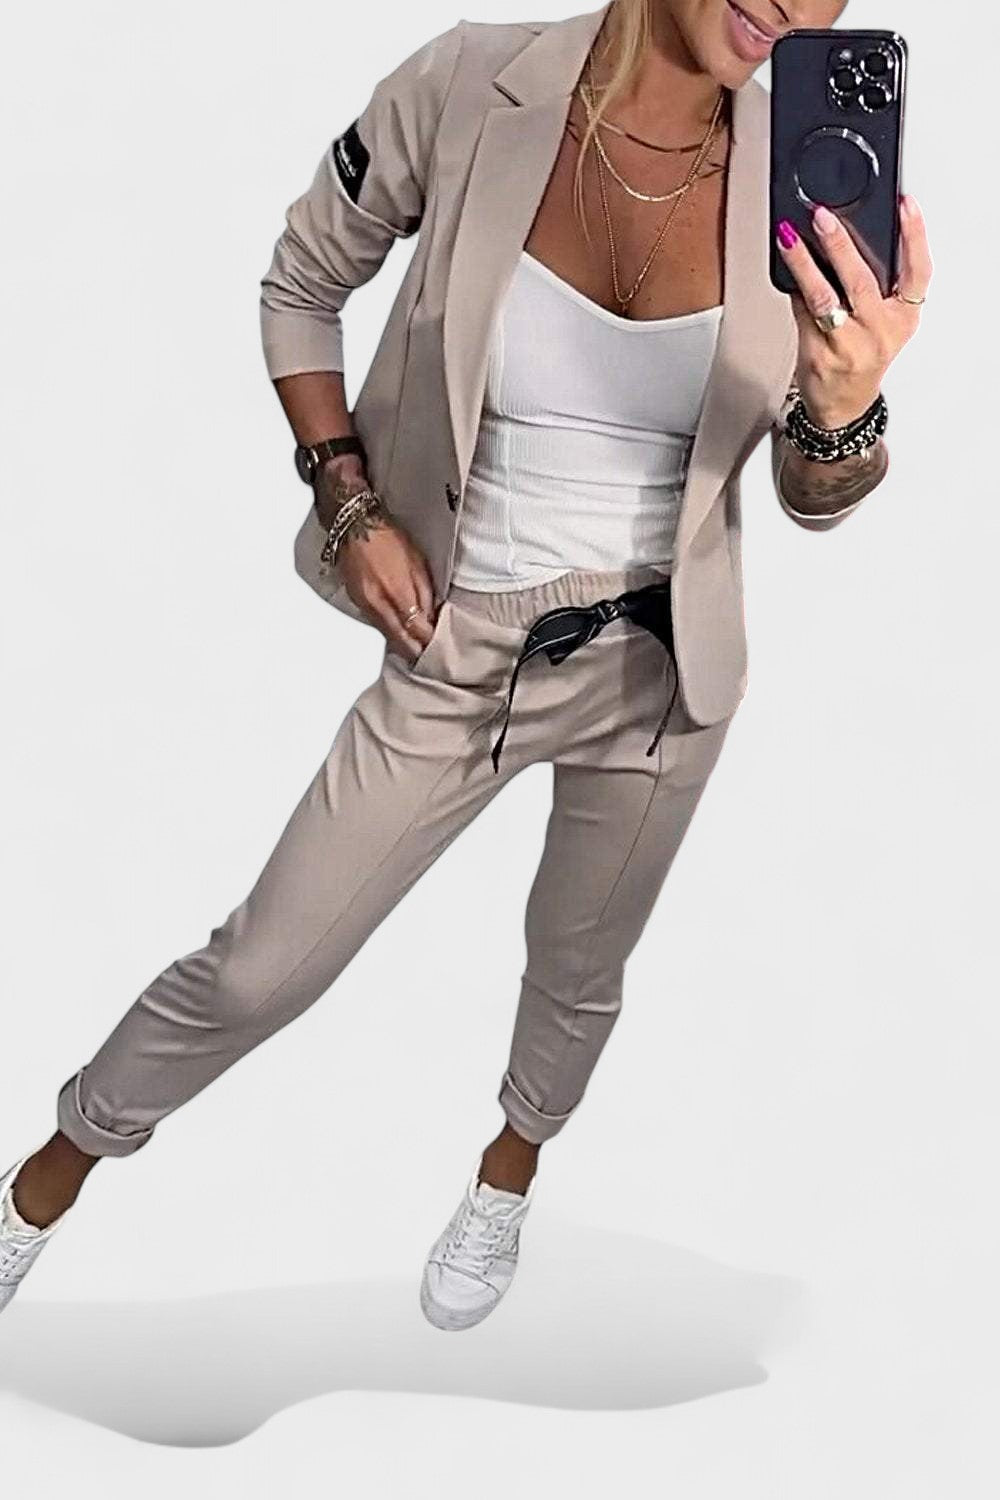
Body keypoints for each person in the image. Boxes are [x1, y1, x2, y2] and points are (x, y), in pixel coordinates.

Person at [1, 0, 930, 1333]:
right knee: (263, 966)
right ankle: (51, 1173)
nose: (792, 2)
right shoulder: (472, 81)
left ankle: (508, 1174)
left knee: (577, 968)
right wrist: (349, 501)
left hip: (664, 678)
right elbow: (300, 284)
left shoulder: (813, 173)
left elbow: (812, 496)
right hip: (459, 643)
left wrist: (842, 412)